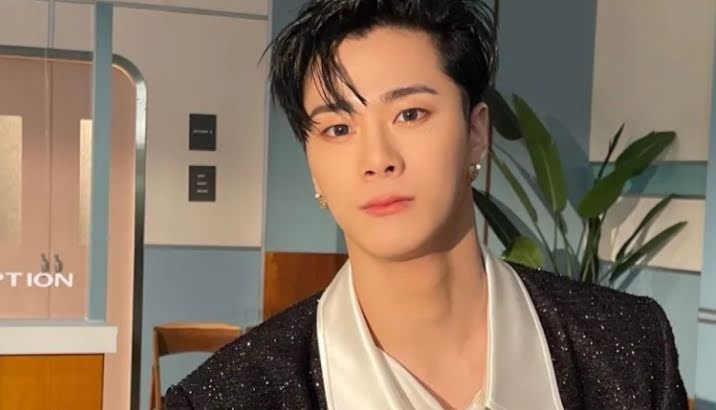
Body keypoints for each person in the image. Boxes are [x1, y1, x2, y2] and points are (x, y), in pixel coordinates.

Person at [164, 0, 688, 408]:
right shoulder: (228, 397)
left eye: (410, 114)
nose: (378, 160)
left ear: (476, 133)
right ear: (312, 165)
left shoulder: (627, 348)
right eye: (338, 128)